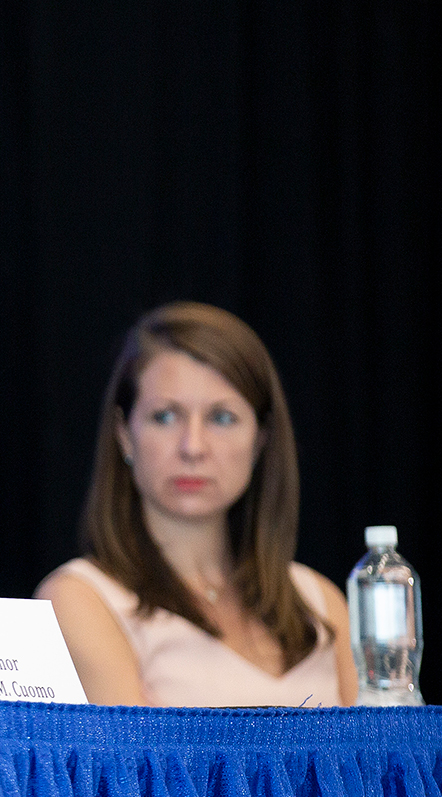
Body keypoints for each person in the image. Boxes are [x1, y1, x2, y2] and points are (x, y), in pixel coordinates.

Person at [35, 302, 357, 707]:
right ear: (124, 434)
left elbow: (379, 765)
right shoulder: (81, 599)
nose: (193, 447)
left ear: (261, 439)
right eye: (166, 416)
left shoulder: (321, 602)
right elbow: (131, 770)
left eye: (221, 418)